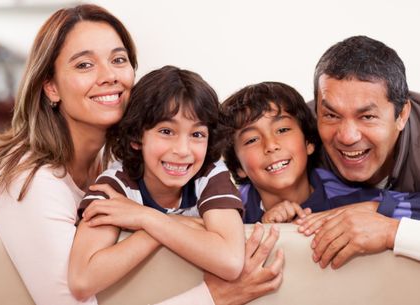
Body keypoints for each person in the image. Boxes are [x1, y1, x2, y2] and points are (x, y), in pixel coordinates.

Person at [0, 4, 283, 305]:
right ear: (51, 88)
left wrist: (155, 221)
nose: (109, 76)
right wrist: (213, 297)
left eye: (118, 60)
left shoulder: (115, 164)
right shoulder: (31, 181)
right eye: (84, 64)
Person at [68, 65, 245, 299]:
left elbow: (230, 262)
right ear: (136, 138)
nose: (182, 151)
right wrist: (163, 227)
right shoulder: (115, 187)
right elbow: (82, 281)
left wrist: (147, 218)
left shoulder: (209, 175)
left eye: (197, 135)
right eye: (166, 131)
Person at [220, 81, 420, 224]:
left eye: (282, 130)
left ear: (309, 143)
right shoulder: (229, 207)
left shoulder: (348, 196)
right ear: (238, 167)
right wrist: (261, 227)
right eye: (252, 140)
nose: (271, 145)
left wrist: (370, 210)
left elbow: (413, 207)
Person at [298, 35, 420, 268]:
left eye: (367, 117)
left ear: (401, 115)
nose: (347, 136)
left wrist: (390, 228)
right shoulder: (299, 132)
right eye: (331, 115)